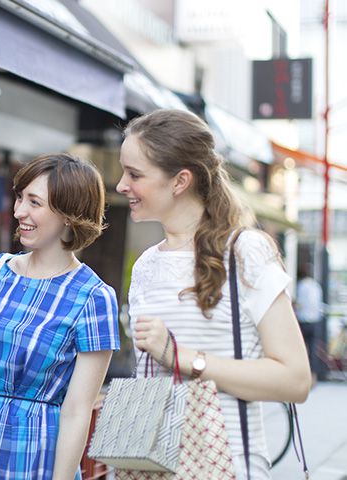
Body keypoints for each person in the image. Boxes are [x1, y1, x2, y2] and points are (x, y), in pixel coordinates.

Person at [115, 109, 311, 480]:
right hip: (150, 466)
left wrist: (184, 358)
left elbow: (296, 379)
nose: (122, 185)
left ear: (180, 181)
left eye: (135, 174)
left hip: (225, 467)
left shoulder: (245, 251)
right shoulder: (145, 265)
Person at [0, 154, 120, 480]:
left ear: (70, 215)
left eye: (34, 202)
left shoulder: (94, 297)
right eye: (19, 198)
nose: (19, 212)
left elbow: (77, 410)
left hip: (34, 459)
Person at [295, 263, 323, 375]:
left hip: (304, 321)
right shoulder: (316, 286)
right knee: (313, 349)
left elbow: (300, 304)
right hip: (315, 321)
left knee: (302, 349)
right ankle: (313, 375)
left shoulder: (301, 286)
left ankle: (303, 373)